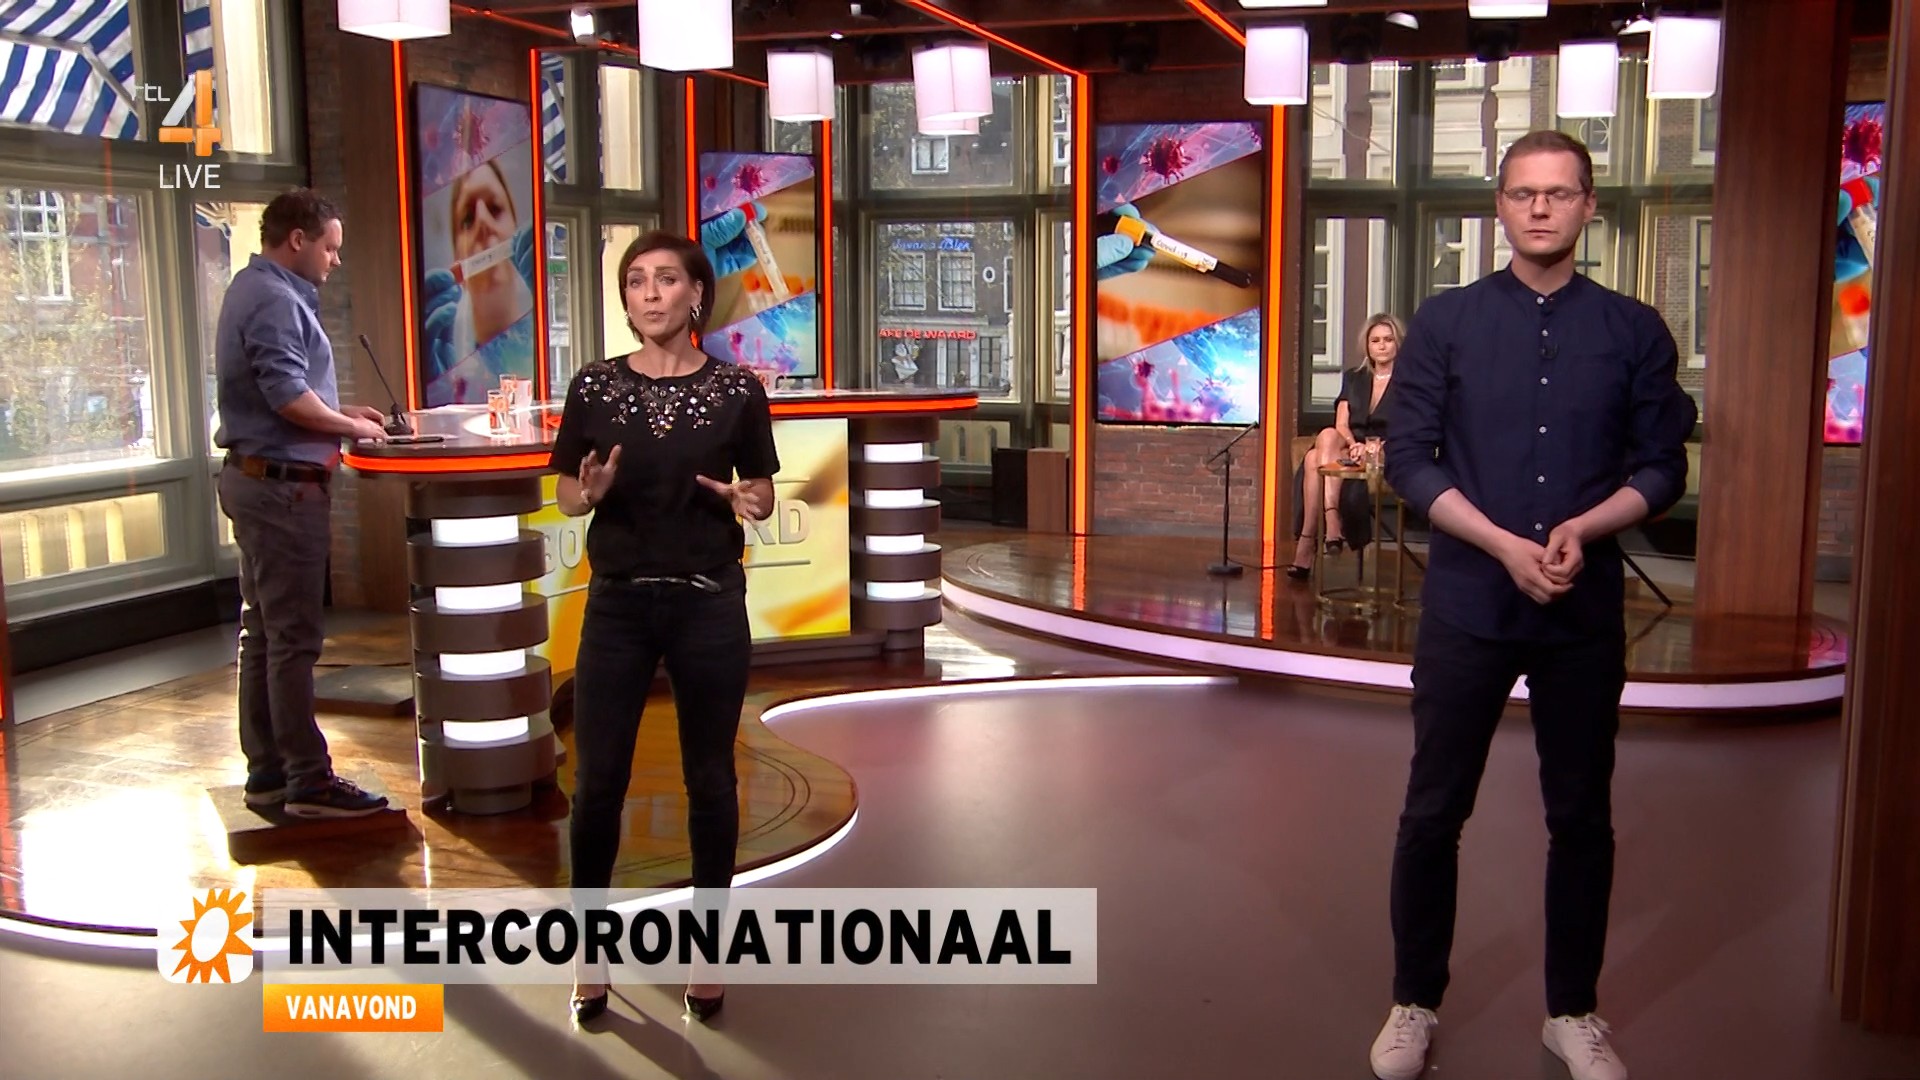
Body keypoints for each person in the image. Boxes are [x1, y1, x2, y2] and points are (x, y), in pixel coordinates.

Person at [1369, 131, 1696, 1080]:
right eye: (1524, 193)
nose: (1541, 207)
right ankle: (1413, 1000)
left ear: (1589, 205)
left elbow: (1662, 467)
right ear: (1500, 207)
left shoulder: (1635, 330)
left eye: (1560, 193)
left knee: (1581, 815)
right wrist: (1504, 545)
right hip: (1468, 602)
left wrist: (1584, 528)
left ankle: (1572, 1012)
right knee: (1433, 810)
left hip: (1581, 613)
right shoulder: (1446, 323)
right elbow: (1409, 459)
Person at [547, 230, 779, 1027]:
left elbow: (762, 491)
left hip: (708, 603)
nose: (650, 293)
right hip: (617, 606)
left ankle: (709, 952)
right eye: (636, 281)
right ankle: (589, 953)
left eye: (666, 279)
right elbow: (569, 495)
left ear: (696, 295)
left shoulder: (738, 389)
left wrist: (749, 501)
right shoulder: (594, 386)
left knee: (709, 780)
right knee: (597, 784)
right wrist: (588, 492)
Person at [212, 188, 393, 819]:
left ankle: (269, 773)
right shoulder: (273, 298)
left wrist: (344, 412)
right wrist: (352, 428)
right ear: (297, 239)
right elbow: (288, 397)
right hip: (280, 490)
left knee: (263, 633)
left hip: (260, 481)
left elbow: (284, 392)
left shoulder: (255, 287)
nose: (336, 260)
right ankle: (308, 782)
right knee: (291, 640)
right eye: (331, 248)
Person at [1287, 313, 1403, 578]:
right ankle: (1331, 519)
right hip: (1349, 443)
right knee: (1328, 434)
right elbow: (1341, 424)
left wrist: (1375, 446)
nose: (1382, 346)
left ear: (1397, 343)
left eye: (1388, 340)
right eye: (1375, 340)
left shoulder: (1408, 381)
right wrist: (1352, 444)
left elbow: (1409, 425)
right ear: (1367, 346)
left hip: (1383, 449)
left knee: (1313, 459)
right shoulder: (1354, 377)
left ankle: (1307, 542)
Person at [420, 159, 538, 403]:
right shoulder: (457, 368)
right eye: (467, 219)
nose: (483, 222)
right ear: (457, 254)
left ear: (515, 228)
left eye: (495, 208)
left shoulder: (541, 350)